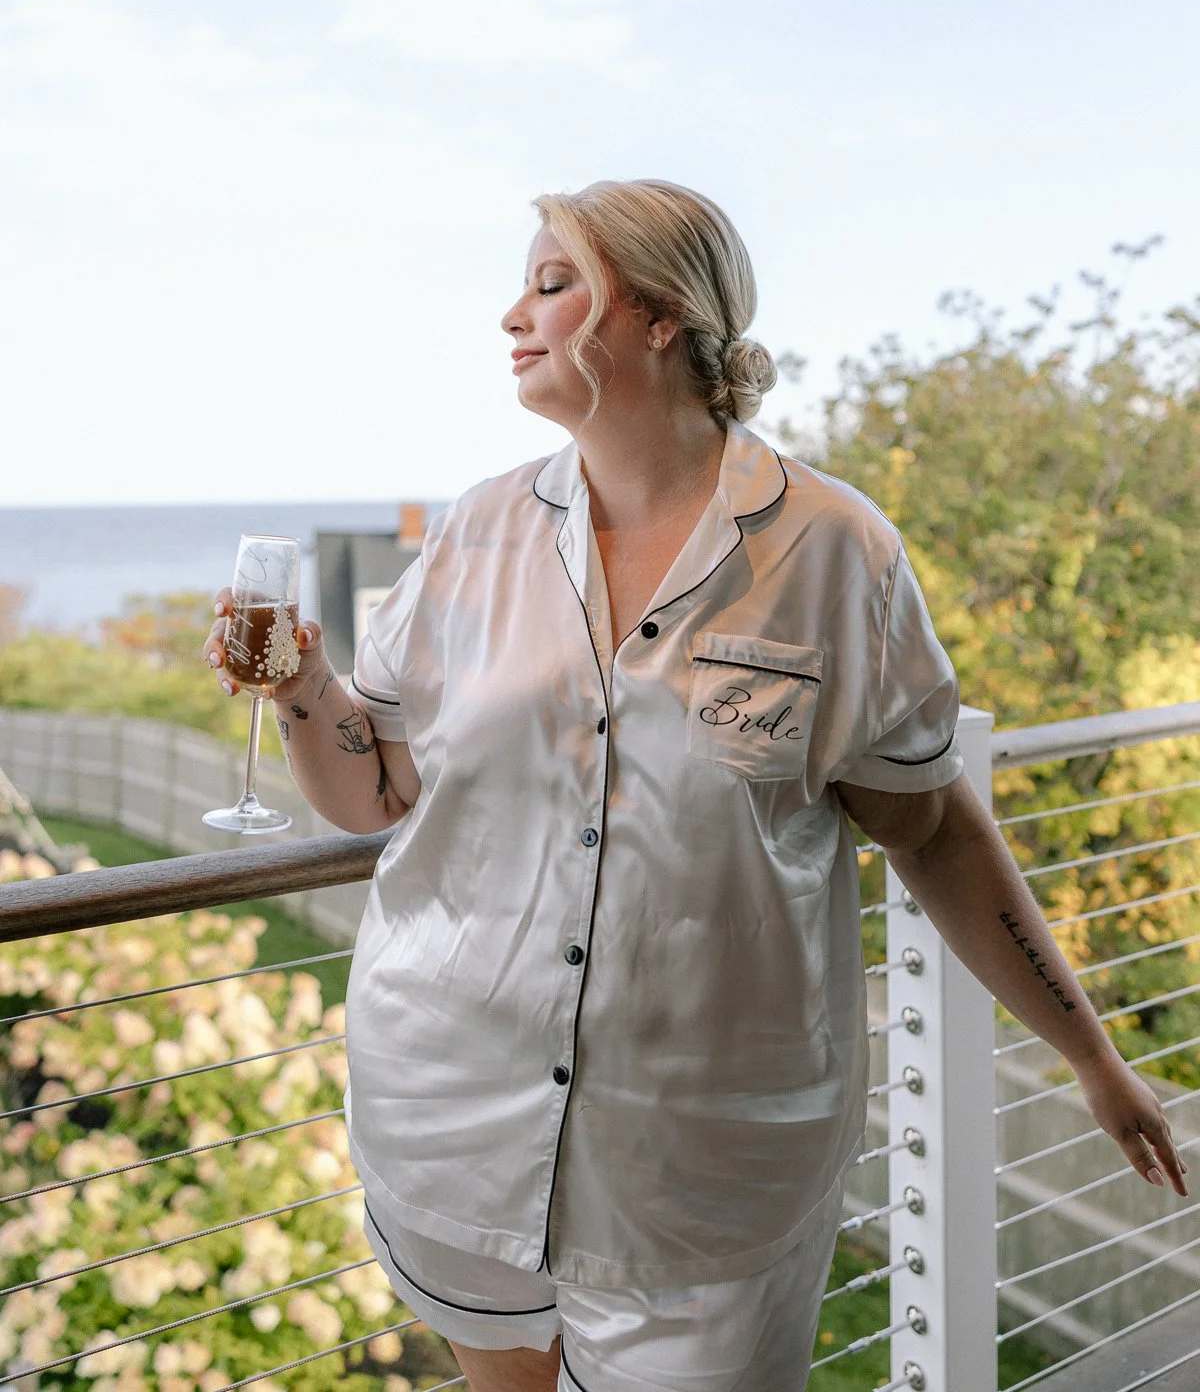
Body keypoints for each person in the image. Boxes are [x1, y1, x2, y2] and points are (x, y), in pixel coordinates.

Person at [205, 179, 1187, 1392]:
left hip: (711, 1180)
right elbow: (376, 795)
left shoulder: (833, 552)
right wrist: (304, 685)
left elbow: (930, 831)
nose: (513, 315)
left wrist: (1092, 1055)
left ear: (662, 316)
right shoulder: (474, 536)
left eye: (554, 284)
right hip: (451, 1124)